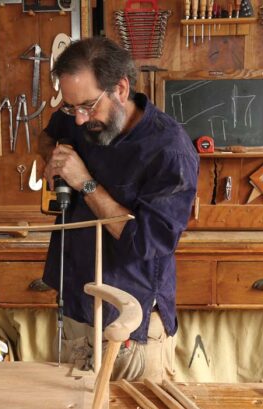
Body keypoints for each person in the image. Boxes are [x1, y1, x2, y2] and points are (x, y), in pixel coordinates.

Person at [38, 36, 199, 382]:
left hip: (131, 328)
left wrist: (86, 184)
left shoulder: (170, 151)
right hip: (77, 312)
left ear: (121, 89)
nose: (79, 120)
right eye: (71, 108)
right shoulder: (78, 114)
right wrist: (52, 158)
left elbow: (145, 243)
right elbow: (50, 134)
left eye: (87, 107)